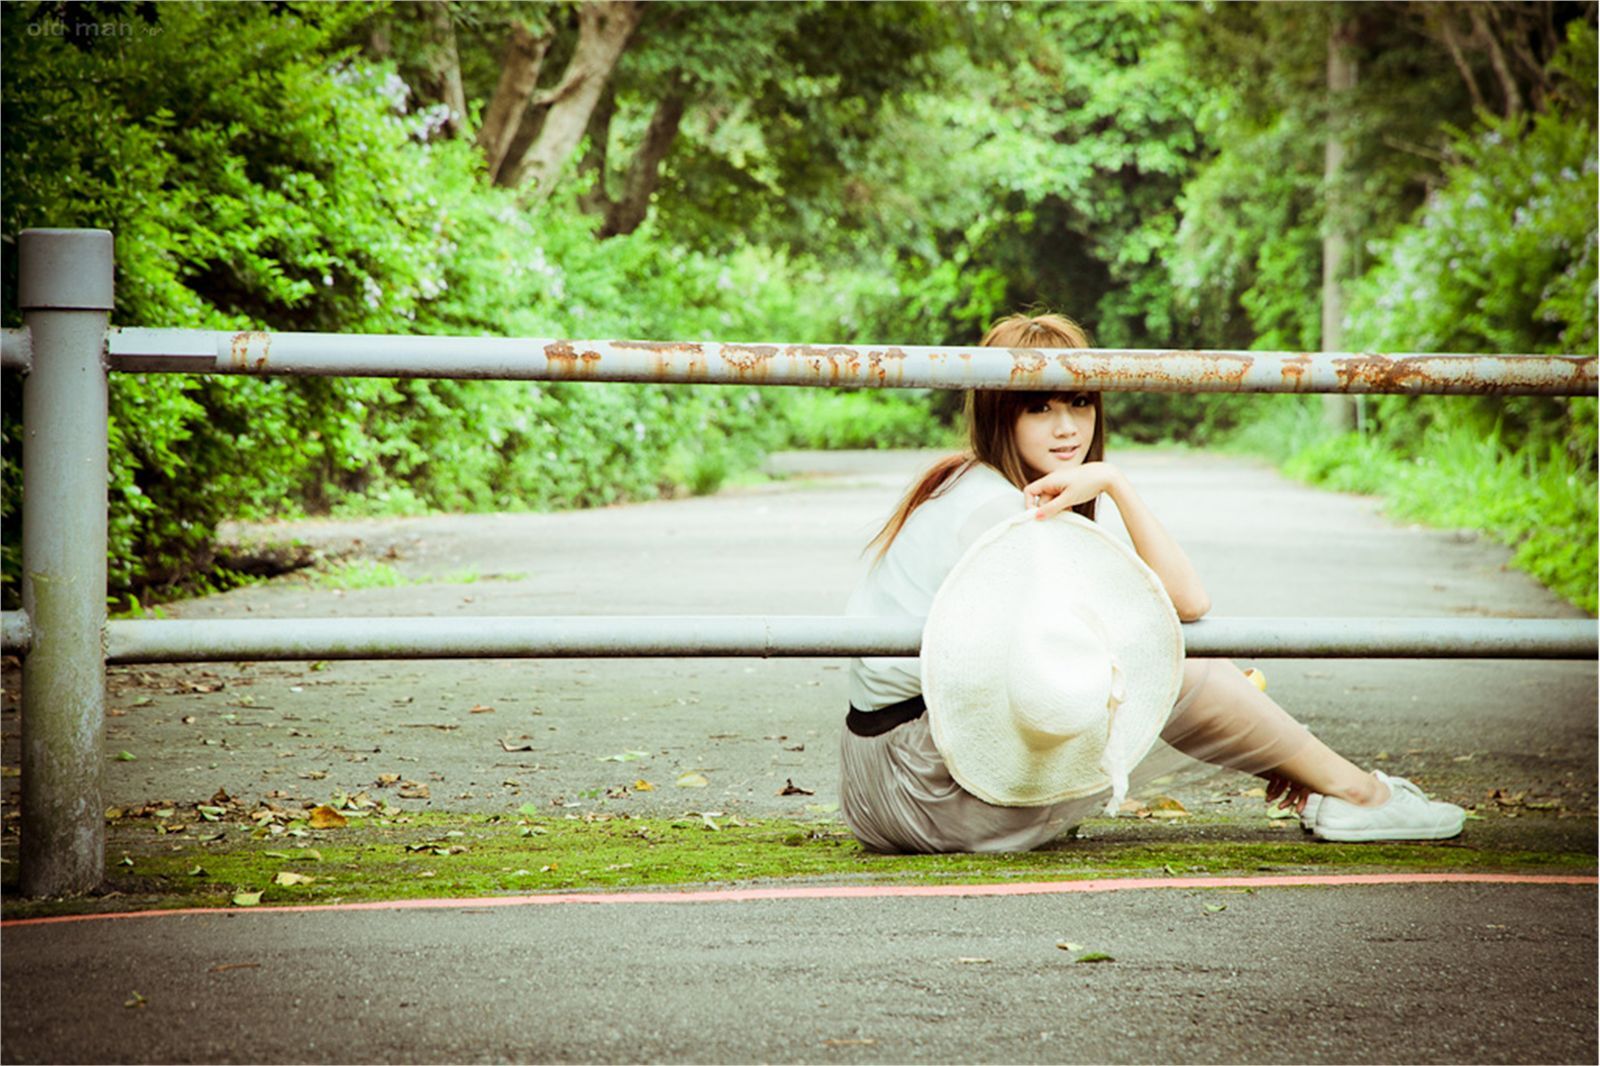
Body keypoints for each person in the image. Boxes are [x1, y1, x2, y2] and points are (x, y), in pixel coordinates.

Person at [839, 311, 1467, 854]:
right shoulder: (1003, 514)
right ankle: (1355, 792)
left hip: (884, 784)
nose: (1067, 429)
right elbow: (1186, 607)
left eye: (1079, 402)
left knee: (1180, 669)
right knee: (1183, 669)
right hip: (928, 786)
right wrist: (1117, 483)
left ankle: (1330, 786)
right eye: (1039, 407)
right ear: (999, 414)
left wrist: (1113, 483)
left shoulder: (977, 483)